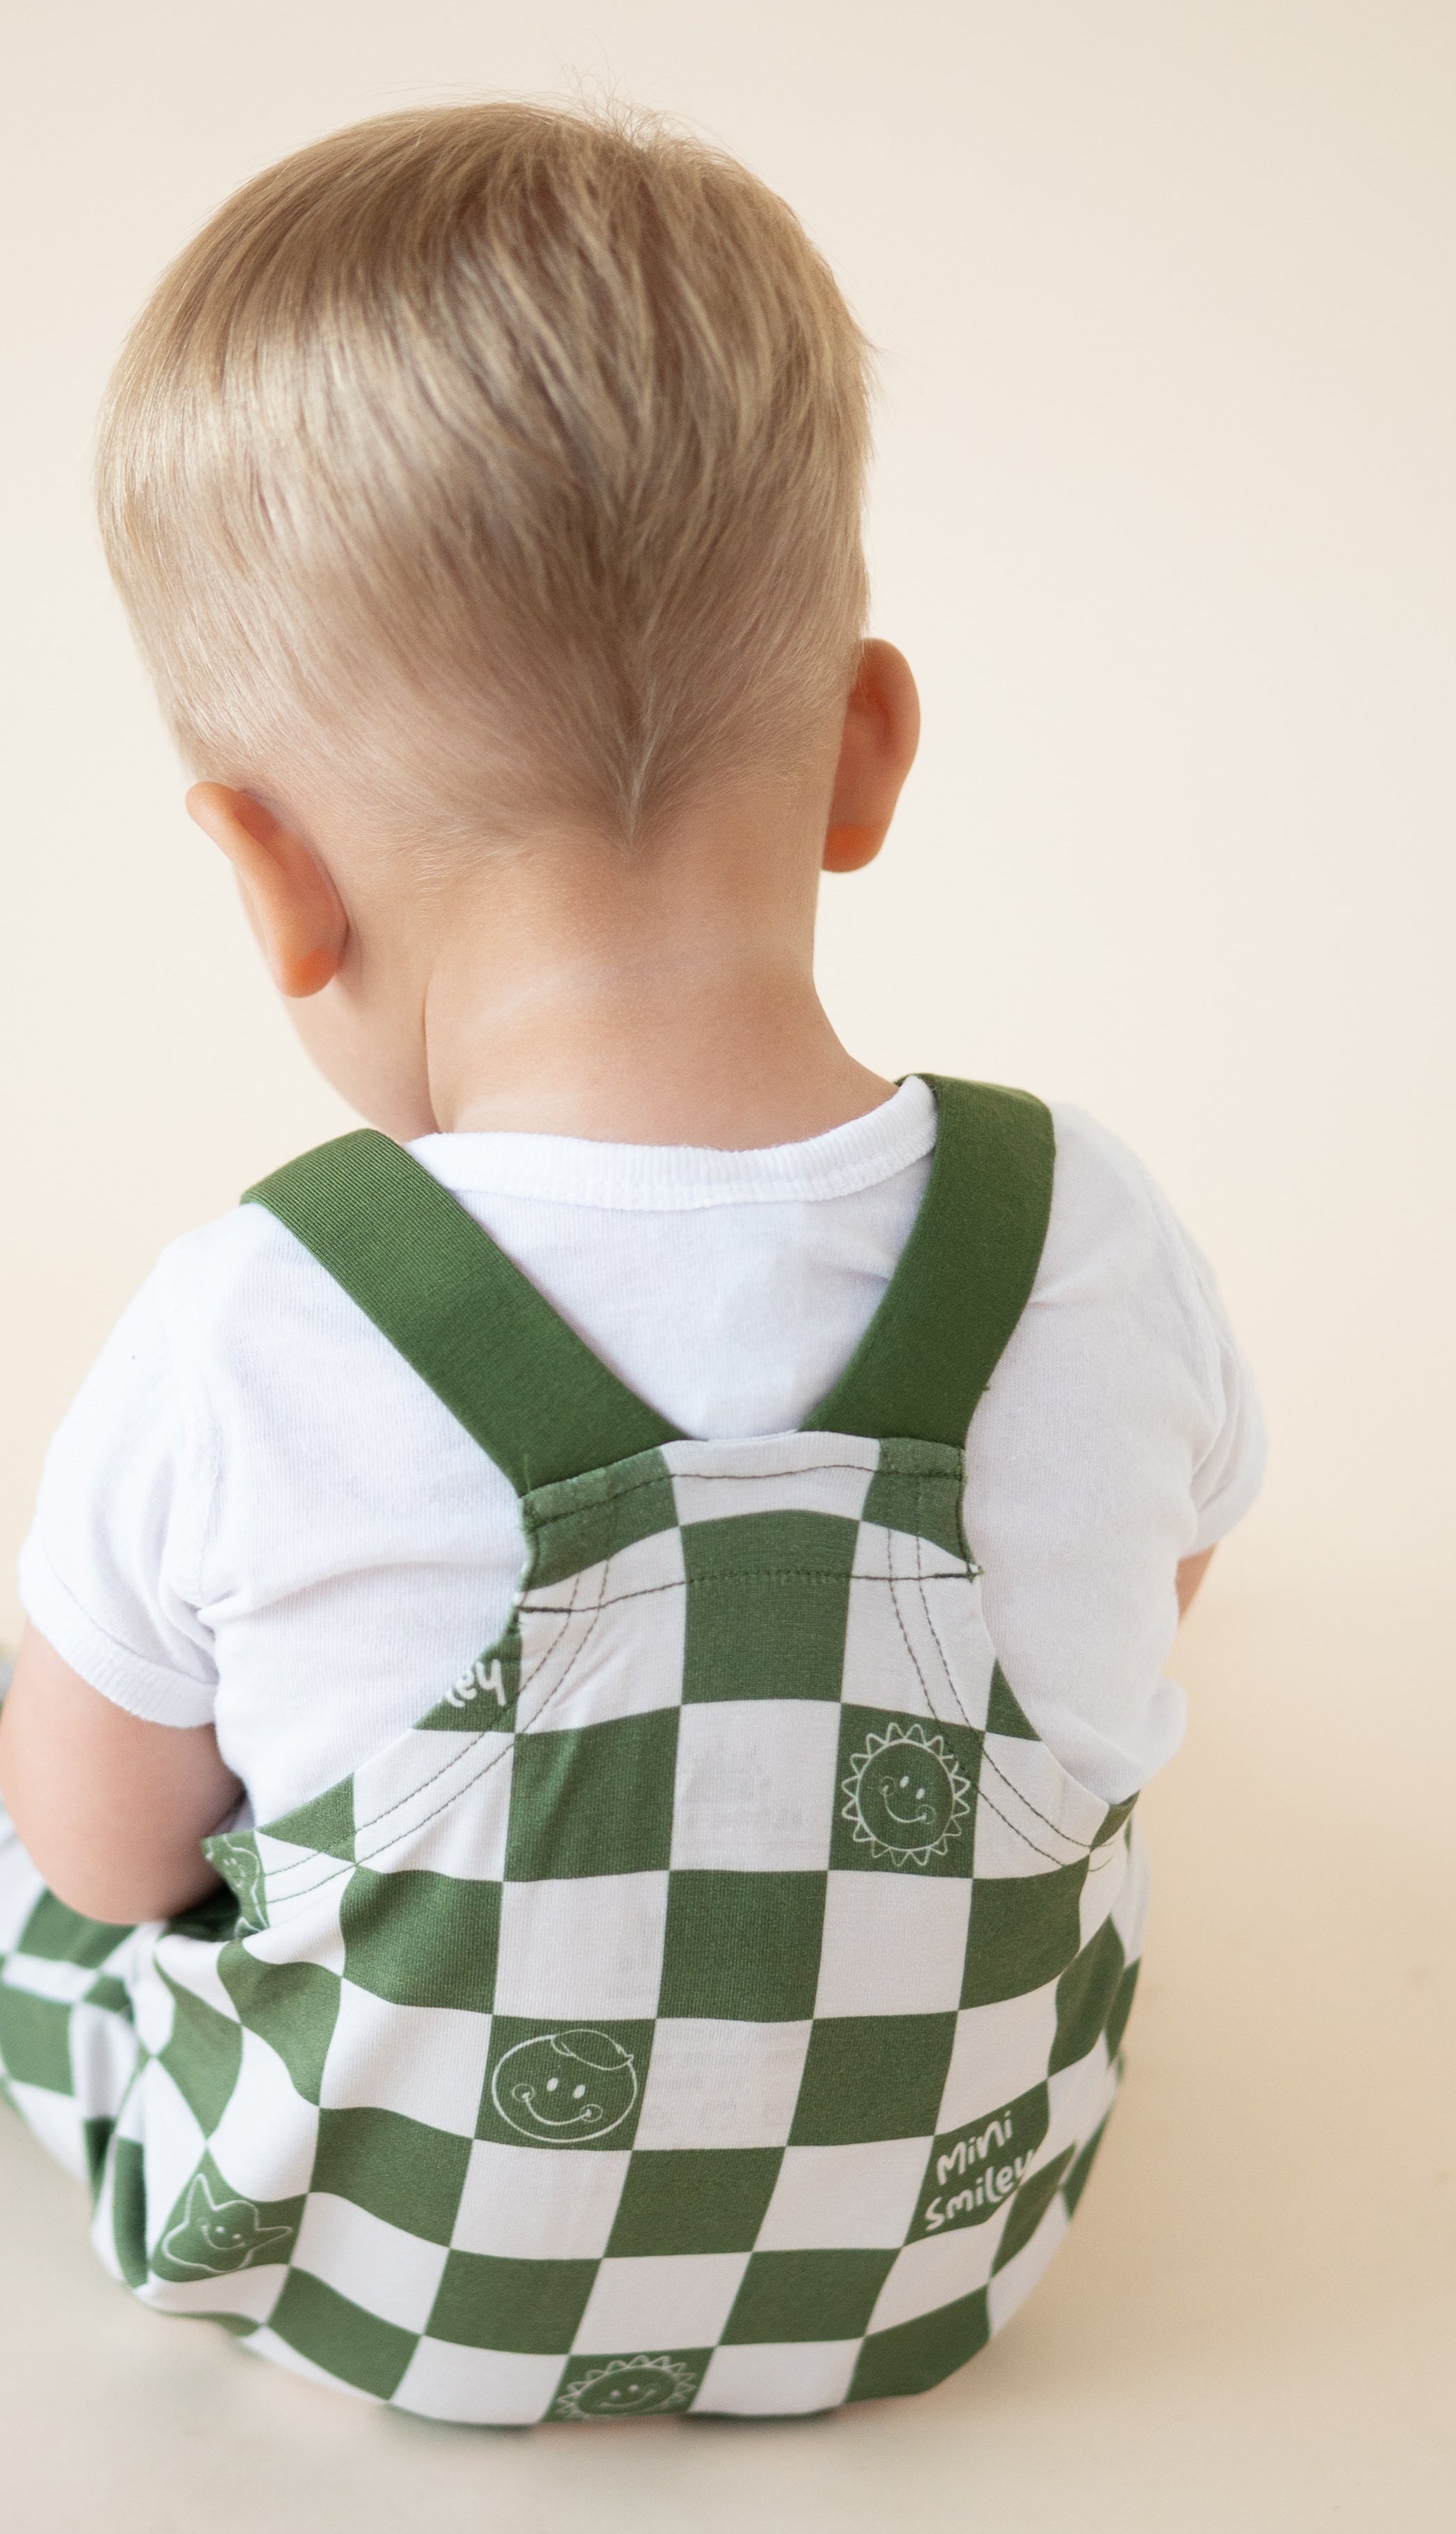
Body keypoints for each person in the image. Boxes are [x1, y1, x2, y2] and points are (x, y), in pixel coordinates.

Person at [0, 101, 1263, 2425]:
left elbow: (105, 1847)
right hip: (944, 2274)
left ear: (270, 872)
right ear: (867, 750)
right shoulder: (1083, 1234)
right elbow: (1139, 1648)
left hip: (387, 2297)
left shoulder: (257, 1324)